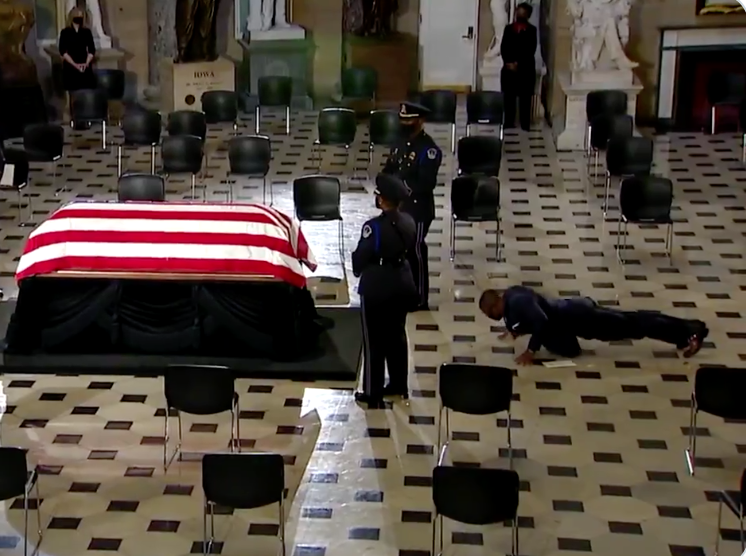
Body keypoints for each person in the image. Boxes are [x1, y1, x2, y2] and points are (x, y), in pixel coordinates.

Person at [479, 286, 709, 366]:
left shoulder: (517, 302)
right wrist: (516, 329)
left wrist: (531, 351)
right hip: (575, 313)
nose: (492, 317)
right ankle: (684, 332)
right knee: (633, 322)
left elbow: (541, 320)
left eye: (491, 313)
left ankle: (691, 331)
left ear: (496, 304)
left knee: (635, 325)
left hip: (581, 318)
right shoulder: (512, 297)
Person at [353, 173, 417, 409]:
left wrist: (358, 268)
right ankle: (399, 384)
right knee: (397, 335)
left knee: (374, 341)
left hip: (377, 286)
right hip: (401, 281)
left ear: (382, 200)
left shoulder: (374, 228)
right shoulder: (408, 222)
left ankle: (373, 392)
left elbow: (362, 257)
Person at [382, 101, 442, 311]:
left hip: (418, 210)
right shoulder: (399, 143)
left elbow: (425, 184)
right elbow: (389, 169)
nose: (404, 123)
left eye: (409, 119)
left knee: (414, 251)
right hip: (398, 208)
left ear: (420, 121)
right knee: (396, 253)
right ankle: (400, 292)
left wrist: (398, 187)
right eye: (402, 119)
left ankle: (420, 298)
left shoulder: (429, 150)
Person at [500, 2, 537, 131]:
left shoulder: (532, 30)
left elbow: (530, 49)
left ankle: (525, 123)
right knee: (508, 97)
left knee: (525, 98)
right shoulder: (508, 29)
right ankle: (508, 122)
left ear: (528, 15)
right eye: (518, 11)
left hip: (525, 69)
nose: (519, 14)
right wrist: (509, 62)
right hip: (509, 69)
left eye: (523, 12)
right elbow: (504, 47)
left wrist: (518, 63)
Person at [58, 7, 96, 93]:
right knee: (72, 91)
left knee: (87, 90)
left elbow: (91, 49)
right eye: (77, 16)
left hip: (84, 65)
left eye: (81, 16)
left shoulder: (86, 32)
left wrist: (86, 63)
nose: (79, 18)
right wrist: (75, 65)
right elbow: (63, 51)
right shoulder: (65, 32)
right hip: (70, 66)